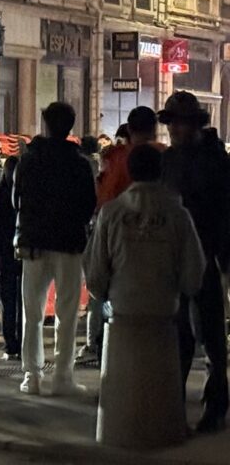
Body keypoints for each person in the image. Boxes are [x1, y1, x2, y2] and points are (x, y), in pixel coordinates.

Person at [86, 145, 205, 446]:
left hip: (122, 309)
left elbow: (96, 271)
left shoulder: (112, 213)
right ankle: (166, 427)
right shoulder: (178, 214)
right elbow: (194, 270)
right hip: (164, 310)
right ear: (161, 173)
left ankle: (117, 426)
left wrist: (104, 294)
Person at [159, 91, 230, 433]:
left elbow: (225, 212)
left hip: (206, 254)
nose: (173, 130)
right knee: (181, 333)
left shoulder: (214, 161)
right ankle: (176, 404)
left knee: (211, 335)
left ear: (193, 125)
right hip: (179, 256)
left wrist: (223, 255)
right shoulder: (171, 159)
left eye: (178, 124)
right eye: (171, 124)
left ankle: (215, 403)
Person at [13, 102, 96, 396]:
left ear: (45, 124)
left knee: (32, 311)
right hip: (69, 242)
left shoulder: (29, 160)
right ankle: (62, 376)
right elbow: (89, 204)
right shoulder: (80, 163)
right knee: (68, 310)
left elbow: (16, 200)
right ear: (71, 126)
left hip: (35, 240)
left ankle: (31, 376)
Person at [77, 106, 164, 364]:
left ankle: (104, 355)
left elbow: (103, 201)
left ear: (129, 128)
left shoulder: (116, 159)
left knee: (115, 325)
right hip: (157, 265)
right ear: (155, 129)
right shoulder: (166, 157)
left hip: (121, 255)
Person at [0, 156, 21, 360]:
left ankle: (11, 344)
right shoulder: (22, 195)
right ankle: (19, 341)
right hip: (20, 251)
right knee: (21, 300)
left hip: (4, 255)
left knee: (8, 300)